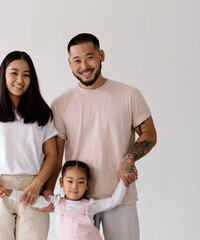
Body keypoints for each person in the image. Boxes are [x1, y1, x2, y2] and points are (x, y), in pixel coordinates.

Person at [43, 33, 157, 240]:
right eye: (77, 60)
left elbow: (149, 134)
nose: (84, 66)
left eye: (90, 57)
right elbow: (57, 153)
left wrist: (129, 158)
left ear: (101, 55)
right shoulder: (60, 104)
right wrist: (49, 190)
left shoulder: (129, 95)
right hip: (77, 200)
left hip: (121, 194)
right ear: (70, 63)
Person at [0, 51, 58, 240]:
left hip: (32, 189)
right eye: (14, 73)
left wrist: (38, 185)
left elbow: (52, 155)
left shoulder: (43, 114)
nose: (20, 79)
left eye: (26, 75)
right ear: (3, 75)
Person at [0, 160, 129, 240]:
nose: (75, 186)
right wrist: (10, 193)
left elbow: (113, 201)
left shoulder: (90, 205)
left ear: (87, 184)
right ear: (61, 182)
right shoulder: (56, 202)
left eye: (81, 182)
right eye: (70, 181)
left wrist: (124, 183)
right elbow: (32, 200)